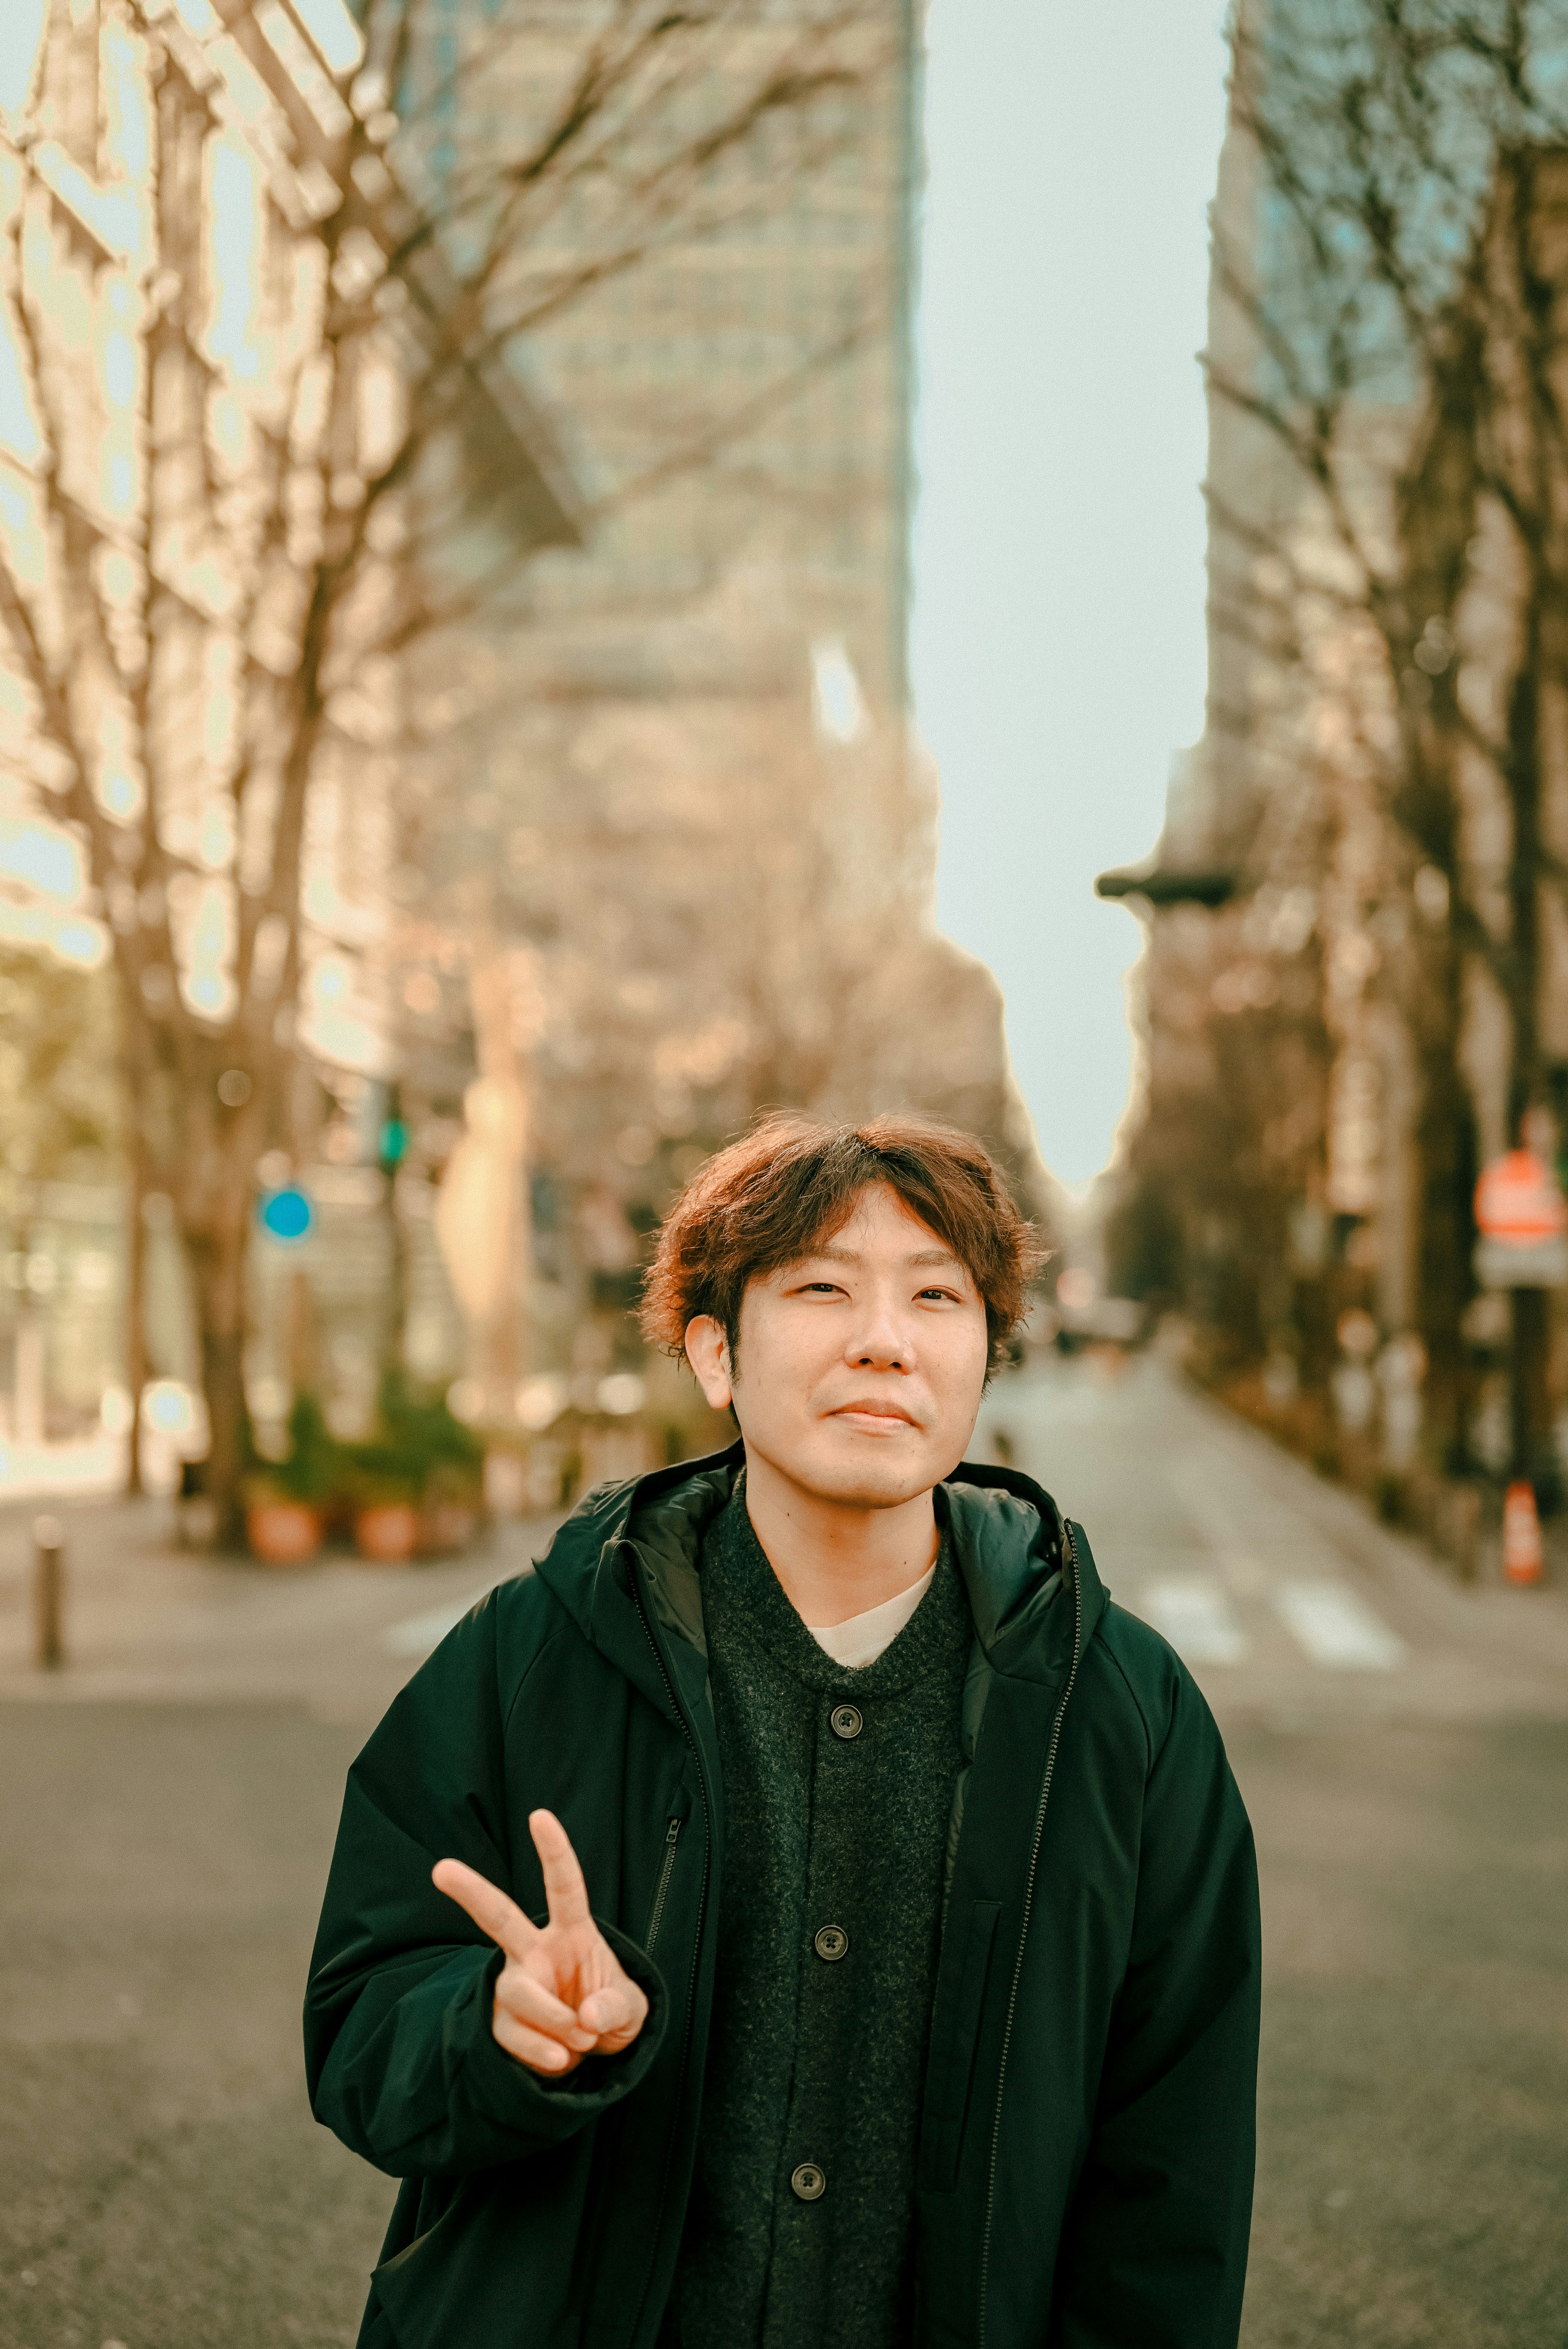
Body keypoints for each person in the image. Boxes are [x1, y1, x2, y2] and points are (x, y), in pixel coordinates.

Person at [305, 1113, 1260, 2349]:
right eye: (821, 1288)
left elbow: (1175, 2172)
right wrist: (492, 2024)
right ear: (715, 1352)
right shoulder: (536, 1653)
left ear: (984, 1354)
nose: (883, 1341)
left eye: (937, 1297)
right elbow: (361, 2013)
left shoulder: (1119, 1708)